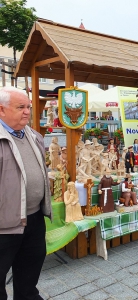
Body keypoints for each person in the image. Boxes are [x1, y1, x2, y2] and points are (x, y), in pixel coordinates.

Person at [0, 86, 52, 299]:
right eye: (20, 107)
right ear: (1, 110)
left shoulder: (34, 136)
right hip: (4, 226)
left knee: (29, 277)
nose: (27, 112)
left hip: (34, 219)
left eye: (29, 107)